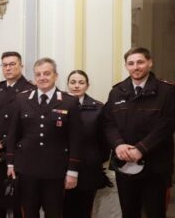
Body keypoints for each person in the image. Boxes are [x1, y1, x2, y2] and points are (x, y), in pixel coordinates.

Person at [103, 47, 175, 218]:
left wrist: (141, 149)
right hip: (125, 164)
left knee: (155, 212)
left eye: (140, 62)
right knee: (129, 212)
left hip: (155, 166)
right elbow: (108, 123)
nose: (136, 67)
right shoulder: (116, 92)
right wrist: (118, 145)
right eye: (131, 63)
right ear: (126, 66)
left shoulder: (167, 91)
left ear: (150, 63)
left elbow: (167, 125)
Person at [5, 58, 82, 218]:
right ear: (34, 78)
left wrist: (73, 171)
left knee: (54, 212)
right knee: (28, 212)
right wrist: (10, 163)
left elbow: (75, 139)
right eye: (38, 74)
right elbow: (13, 133)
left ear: (56, 75)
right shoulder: (22, 99)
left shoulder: (69, 102)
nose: (42, 77)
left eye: (47, 73)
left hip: (55, 170)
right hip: (27, 168)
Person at [0, 51, 35, 218]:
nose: (8, 68)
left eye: (12, 64)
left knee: (18, 201)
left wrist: (2, 143)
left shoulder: (30, 90)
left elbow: (27, 126)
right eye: (5, 65)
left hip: (17, 152)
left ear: (21, 66)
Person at [63, 70, 108, 218]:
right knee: (64, 208)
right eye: (73, 82)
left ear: (87, 85)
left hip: (89, 168)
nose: (76, 86)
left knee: (84, 209)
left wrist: (95, 159)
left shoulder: (98, 108)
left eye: (81, 83)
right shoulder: (59, 105)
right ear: (67, 85)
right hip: (63, 167)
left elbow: (104, 141)